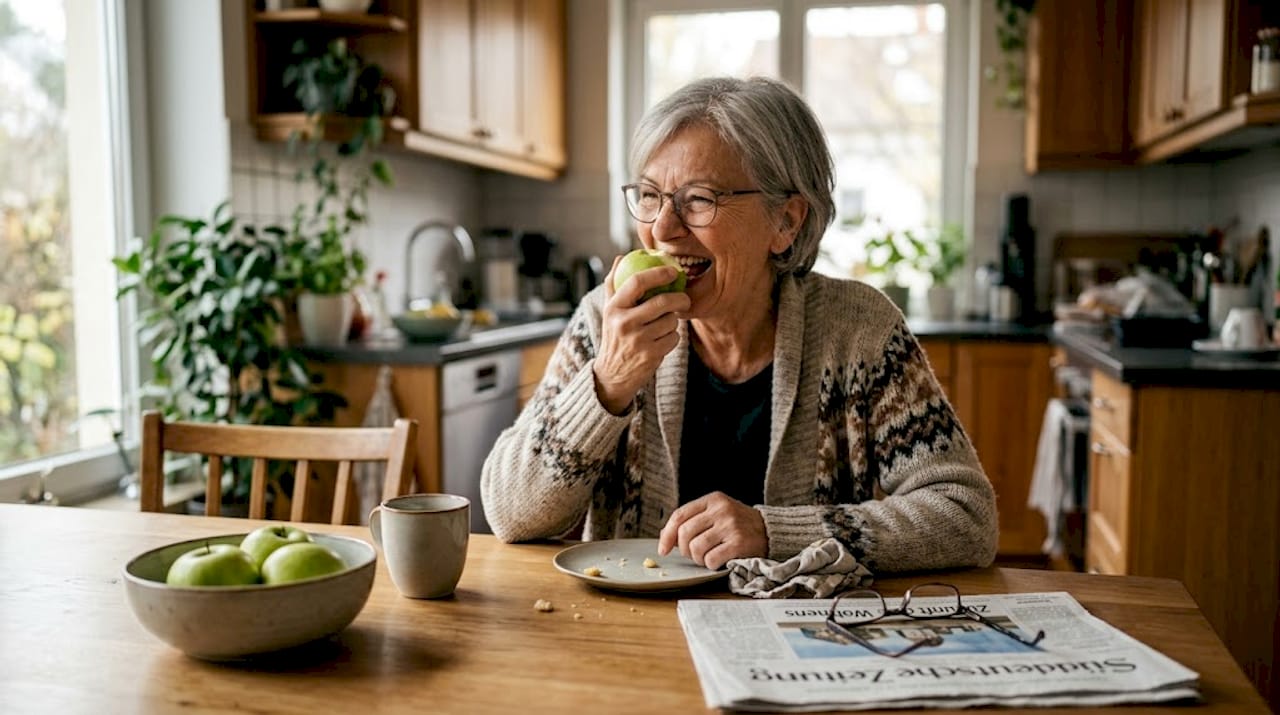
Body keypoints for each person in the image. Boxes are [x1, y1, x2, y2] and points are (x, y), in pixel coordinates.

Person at [481, 76, 997, 573]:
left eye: (699, 200)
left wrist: (775, 534)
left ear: (785, 222)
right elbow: (511, 514)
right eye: (650, 196)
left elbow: (966, 517)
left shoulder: (858, 331)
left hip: (800, 637)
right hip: (634, 629)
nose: (661, 229)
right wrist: (607, 383)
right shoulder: (606, 319)